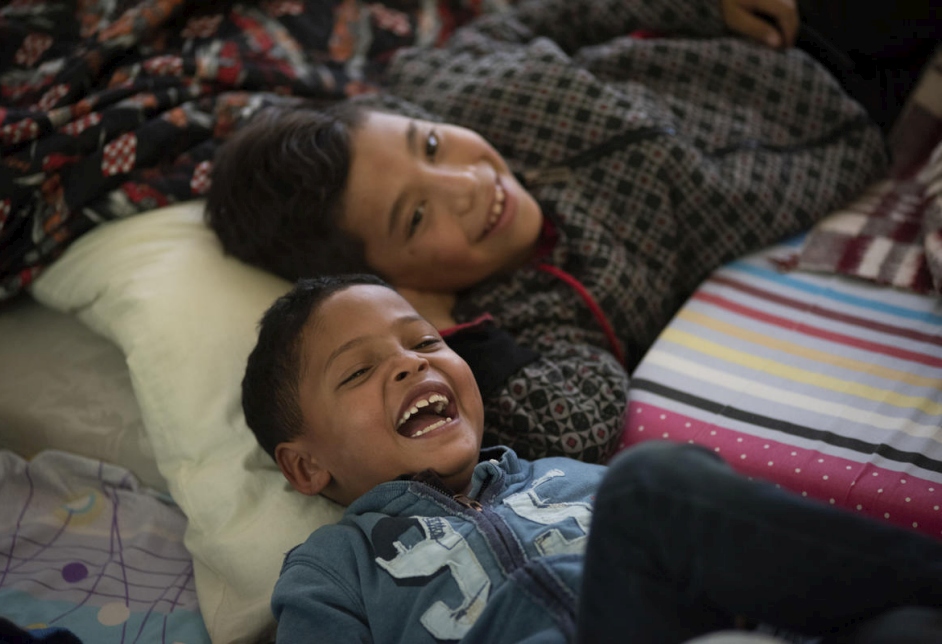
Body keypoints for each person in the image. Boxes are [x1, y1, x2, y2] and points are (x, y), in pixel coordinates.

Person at [209, 0, 929, 461]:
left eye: (431, 146)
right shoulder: (538, 309)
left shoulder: (447, 80)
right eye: (417, 217)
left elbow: (552, 14)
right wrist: (454, 334)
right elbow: (578, 419)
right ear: (399, 280)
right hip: (867, 128)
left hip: (785, 29)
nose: (468, 184)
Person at [242, 273, 942, 644]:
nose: (408, 367)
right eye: (358, 373)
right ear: (304, 467)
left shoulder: (561, 475)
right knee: (650, 485)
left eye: (424, 343)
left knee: (906, 629)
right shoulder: (331, 569)